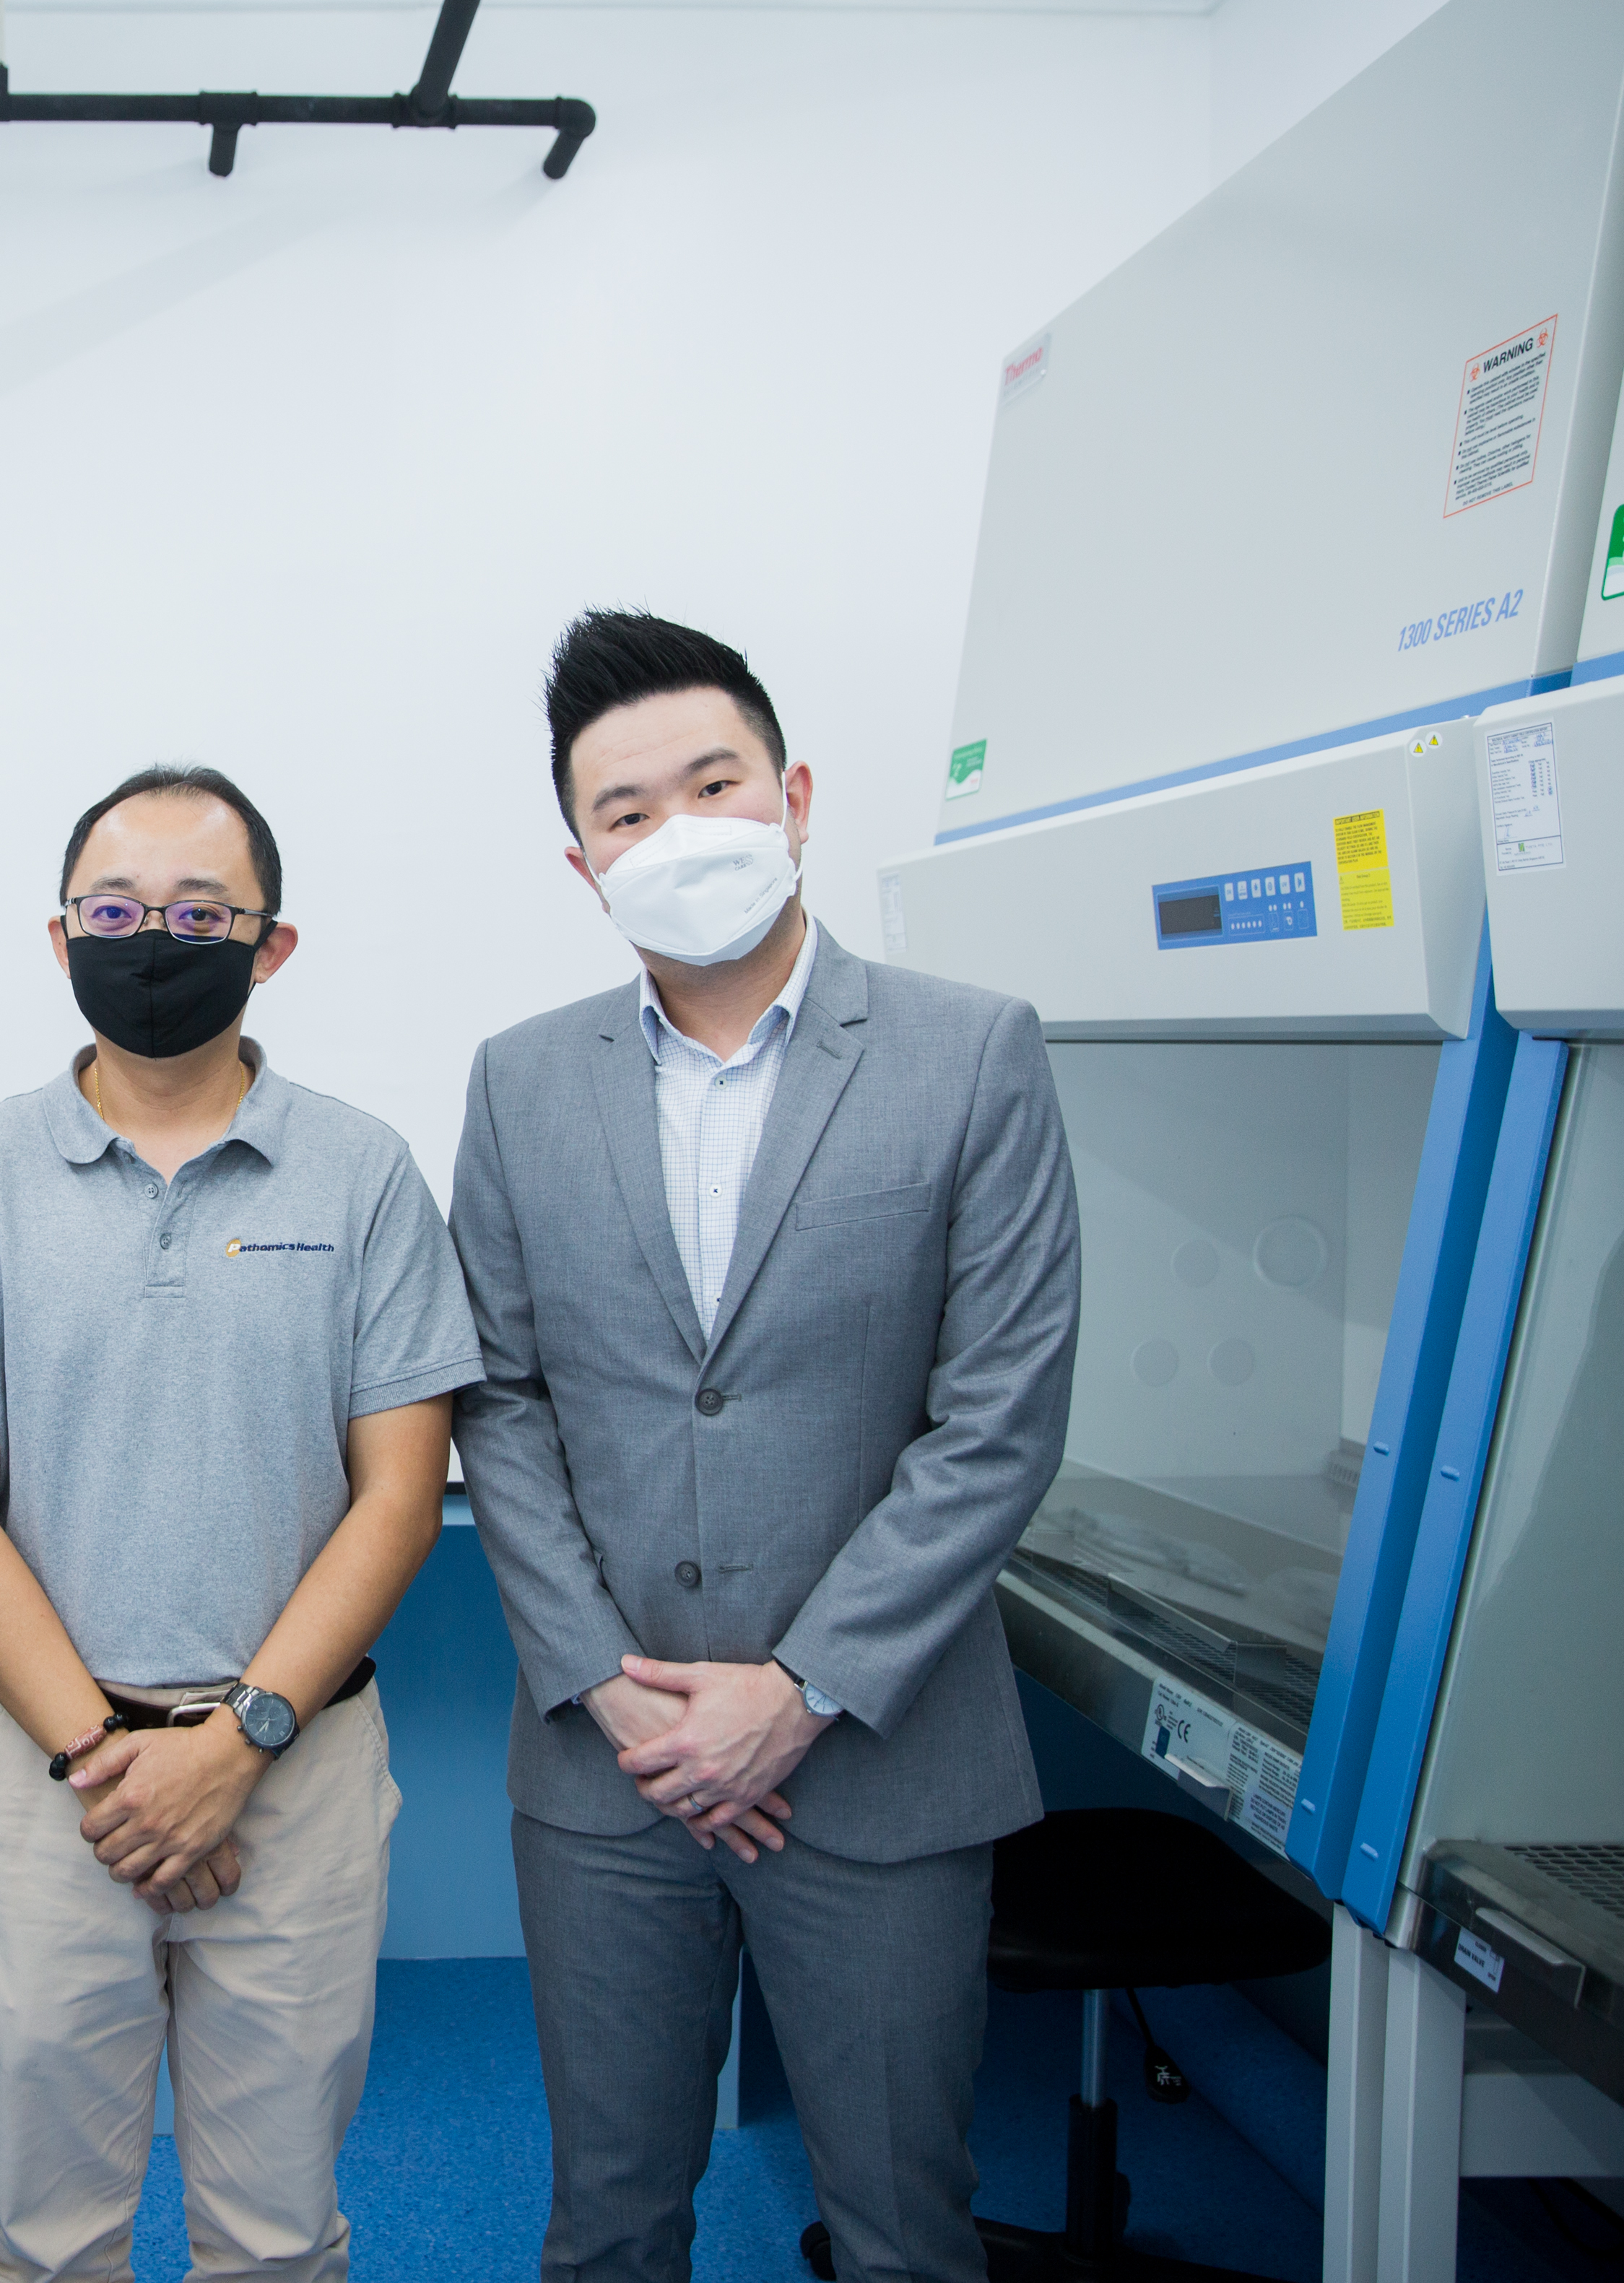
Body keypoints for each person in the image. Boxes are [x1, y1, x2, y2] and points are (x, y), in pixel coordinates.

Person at [449, 612, 1082, 2283]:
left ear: (793, 794)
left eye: (710, 783)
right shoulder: (519, 1085)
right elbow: (497, 1401)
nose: (674, 833)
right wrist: (603, 1681)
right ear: (580, 860)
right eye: (626, 812)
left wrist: (793, 1693)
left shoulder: (971, 1053)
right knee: (606, 2223)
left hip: (875, 1757)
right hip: (608, 1764)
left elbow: (997, 1414)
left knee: (898, 2230)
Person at [0, 765, 482, 2283]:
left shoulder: (363, 1173)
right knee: (45, 2239)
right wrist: (101, 1760)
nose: (154, 938)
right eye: (117, 910)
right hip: (48, 1779)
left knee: (276, 2237)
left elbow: (398, 1496)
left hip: (295, 1767)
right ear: (59, 934)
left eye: (200, 913)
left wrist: (235, 1742)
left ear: (270, 946)